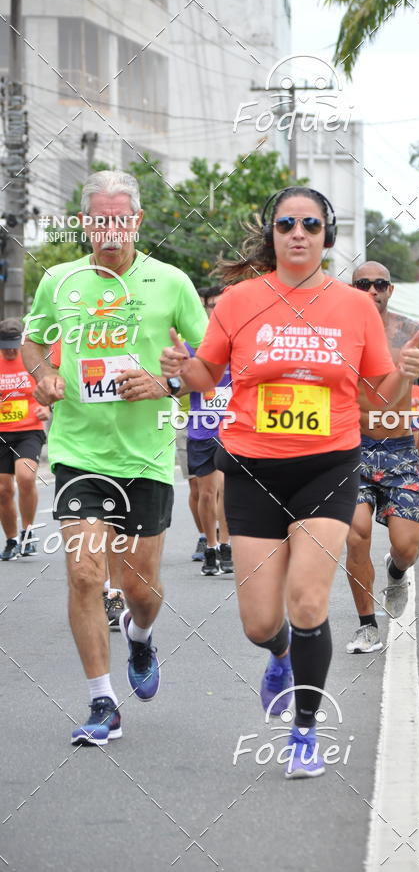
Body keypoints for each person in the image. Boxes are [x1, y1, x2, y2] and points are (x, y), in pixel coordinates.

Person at [160, 186, 419, 778]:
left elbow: (378, 399)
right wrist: (183, 372)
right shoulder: (238, 300)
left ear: (326, 236)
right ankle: (278, 655)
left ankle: (304, 733)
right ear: (273, 233)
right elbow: (207, 372)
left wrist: (405, 377)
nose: (298, 232)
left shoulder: (354, 307)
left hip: (328, 467)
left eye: (310, 223)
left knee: (307, 602)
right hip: (251, 469)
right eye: (286, 224)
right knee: (260, 622)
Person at [23, 170, 207, 746]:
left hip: (146, 455)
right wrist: (44, 373)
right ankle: (103, 702)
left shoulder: (172, 282)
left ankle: (140, 636)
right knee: (83, 575)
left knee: (140, 589)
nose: (109, 229)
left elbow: (210, 362)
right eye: (98, 219)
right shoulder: (60, 280)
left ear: (137, 221)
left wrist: (167, 384)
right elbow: (33, 342)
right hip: (79, 452)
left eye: (119, 218)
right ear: (84, 222)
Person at [344, 262, 419, 654]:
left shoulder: (413, 335)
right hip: (351, 449)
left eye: (379, 284)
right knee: (354, 533)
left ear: (390, 290)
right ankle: (366, 625)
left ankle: (395, 574)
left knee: (407, 546)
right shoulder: (335, 334)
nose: (371, 290)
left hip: (399, 450)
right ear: (353, 289)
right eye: (363, 284)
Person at [186, 285, 233, 574]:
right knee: (205, 492)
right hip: (201, 427)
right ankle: (211, 546)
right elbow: (178, 387)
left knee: (225, 489)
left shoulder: (238, 343)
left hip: (231, 426)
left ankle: (226, 545)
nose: (214, 311)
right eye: (209, 306)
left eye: (219, 305)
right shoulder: (194, 346)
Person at [0, 318, 51, 560]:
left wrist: (47, 408)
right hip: (2, 431)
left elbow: (51, 387)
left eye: (13, 344)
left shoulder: (31, 359)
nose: (10, 350)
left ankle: (28, 533)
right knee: (2, 489)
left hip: (29, 429)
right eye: (4, 345)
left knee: (26, 477)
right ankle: (11, 540)